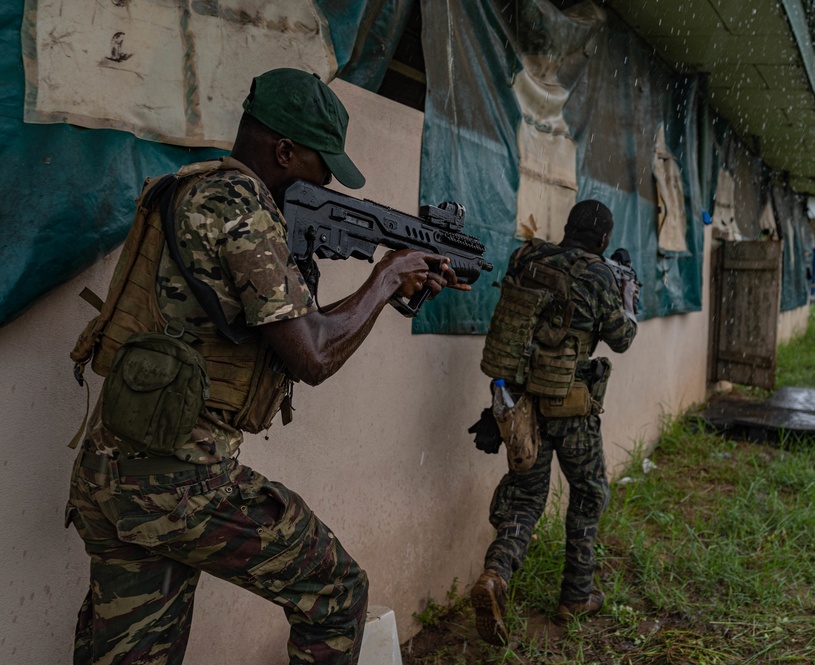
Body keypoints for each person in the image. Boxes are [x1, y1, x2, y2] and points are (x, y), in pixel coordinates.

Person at [65, 68, 469, 665]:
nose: (328, 180)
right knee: (337, 591)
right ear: (283, 149)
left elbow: (291, 332)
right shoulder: (242, 209)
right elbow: (311, 356)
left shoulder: (194, 188)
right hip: (180, 485)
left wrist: (391, 279)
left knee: (130, 654)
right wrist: (385, 278)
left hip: (113, 471)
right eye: (320, 165)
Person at [470, 200, 638, 645]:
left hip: (520, 406)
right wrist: (627, 298)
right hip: (572, 410)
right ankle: (576, 595)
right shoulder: (600, 274)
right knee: (587, 494)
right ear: (604, 239)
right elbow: (621, 340)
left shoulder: (526, 257)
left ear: (567, 228)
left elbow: (517, 327)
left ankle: (495, 575)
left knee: (525, 499)